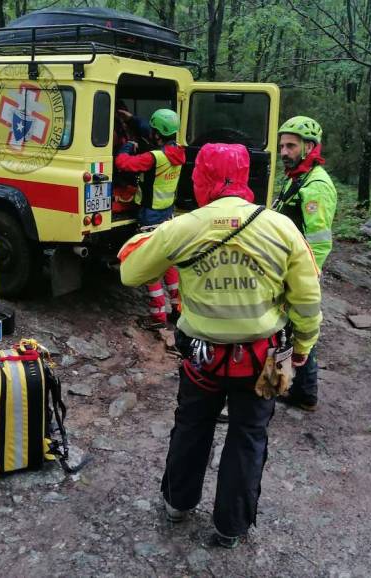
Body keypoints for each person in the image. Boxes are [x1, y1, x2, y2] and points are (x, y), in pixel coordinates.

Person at [118, 143, 322, 549]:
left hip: (202, 358)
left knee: (192, 426)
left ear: (201, 175)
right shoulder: (281, 228)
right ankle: (232, 526)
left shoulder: (183, 227)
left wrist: (155, 236)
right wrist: (302, 348)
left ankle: (178, 503)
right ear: (245, 176)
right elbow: (307, 299)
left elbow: (130, 272)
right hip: (265, 358)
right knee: (249, 436)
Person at [273, 116, 336, 411]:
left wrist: (306, 277)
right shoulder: (298, 176)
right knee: (292, 329)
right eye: (282, 145)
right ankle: (298, 389)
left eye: (290, 146)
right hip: (290, 267)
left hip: (300, 271)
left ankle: (302, 392)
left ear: (309, 146)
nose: (283, 151)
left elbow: (320, 240)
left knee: (297, 330)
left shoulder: (316, 185)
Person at [115, 108, 186, 329]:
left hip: (150, 217)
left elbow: (123, 163)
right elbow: (153, 132)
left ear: (157, 134)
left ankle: (157, 317)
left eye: (154, 131)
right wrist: (132, 119)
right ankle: (177, 309)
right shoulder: (178, 152)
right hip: (167, 215)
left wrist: (128, 146)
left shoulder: (154, 158)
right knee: (169, 263)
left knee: (152, 266)